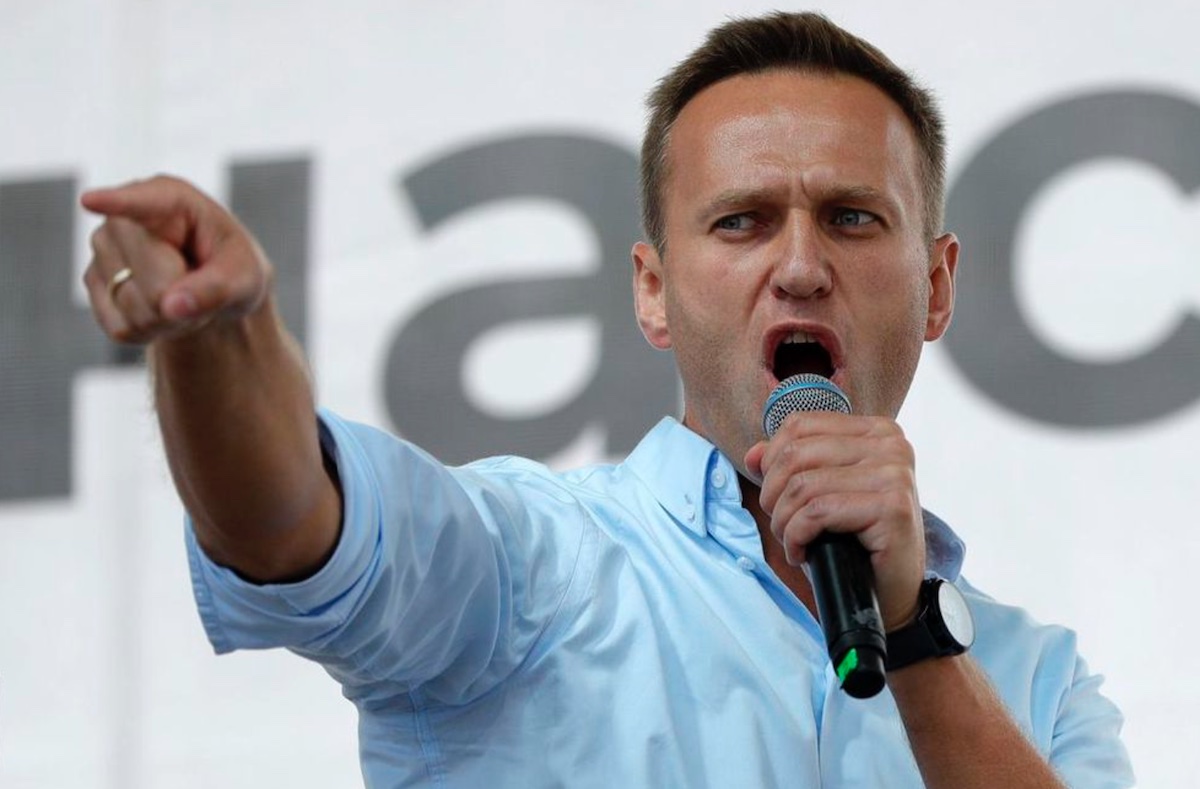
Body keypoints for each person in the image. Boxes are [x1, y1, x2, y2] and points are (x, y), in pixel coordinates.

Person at [81, 11, 1134, 788]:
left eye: (854, 218)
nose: (802, 265)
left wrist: (912, 634)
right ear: (651, 289)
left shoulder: (1036, 681)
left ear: (937, 284)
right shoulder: (526, 565)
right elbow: (293, 523)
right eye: (742, 222)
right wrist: (217, 339)